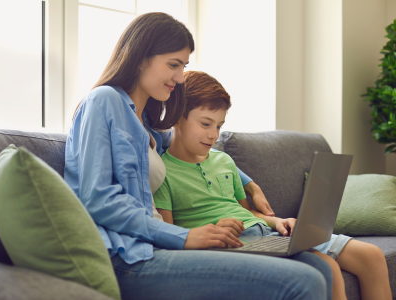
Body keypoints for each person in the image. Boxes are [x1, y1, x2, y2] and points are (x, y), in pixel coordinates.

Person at [64, 12, 334, 300]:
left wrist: (249, 184)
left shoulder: (150, 128)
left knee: (319, 266)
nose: (180, 78)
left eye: (184, 66)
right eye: (173, 65)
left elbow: (196, 152)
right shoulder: (103, 101)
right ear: (141, 57)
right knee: (304, 281)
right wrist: (186, 236)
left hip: (158, 246)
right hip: (128, 255)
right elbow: (97, 199)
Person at [154, 70, 393, 300]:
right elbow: (171, 235)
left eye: (219, 126)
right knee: (327, 268)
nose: (214, 135)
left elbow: (247, 211)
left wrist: (279, 221)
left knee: (368, 255)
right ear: (176, 117)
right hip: (230, 245)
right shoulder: (163, 172)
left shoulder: (224, 161)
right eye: (206, 124)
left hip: (265, 234)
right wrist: (212, 229)